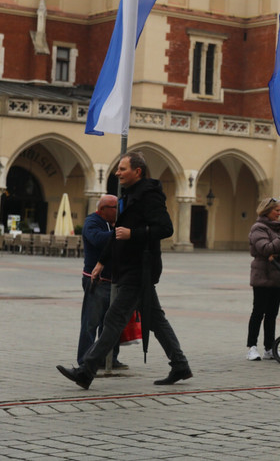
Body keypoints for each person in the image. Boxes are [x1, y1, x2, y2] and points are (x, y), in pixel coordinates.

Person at [57, 151, 192, 389]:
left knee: (114, 318)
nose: (117, 172)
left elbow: (166, 228)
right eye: (118, 168)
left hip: (140, 268)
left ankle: (86, 371)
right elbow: (117, 233)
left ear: (137, 171)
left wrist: (135, 234)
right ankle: (180, 365)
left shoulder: (149, 196)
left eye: (122, 168)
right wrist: (101, 261)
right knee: (156, 320)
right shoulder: (128, 196)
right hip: (130, 267)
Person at [246, 197, 280, 361]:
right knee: (258, 312)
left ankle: (269, 348)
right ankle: (251, 347)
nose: (279, 213)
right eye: (276, 210)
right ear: (267, 211)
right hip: (263, 275)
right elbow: (265, 249)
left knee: (272, 314)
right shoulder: (258, 228)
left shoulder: (279, 229)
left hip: (277, 275)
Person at [78, 194, 126, 370]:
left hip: (114, 281)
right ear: (104, 209)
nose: (119, 211)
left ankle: (110, 358)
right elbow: (98, 239)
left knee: (111, 324)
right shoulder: (92, 222)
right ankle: (84, 360)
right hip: (97, 281)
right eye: (116, 208)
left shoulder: (115, 223)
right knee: (91, 322)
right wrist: (120, 233)